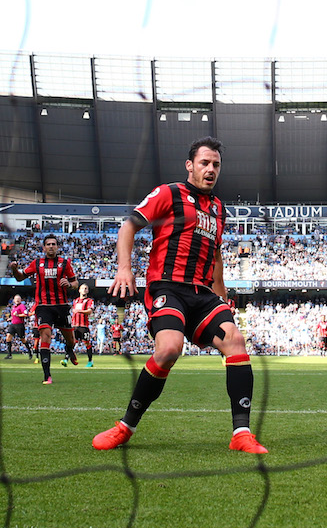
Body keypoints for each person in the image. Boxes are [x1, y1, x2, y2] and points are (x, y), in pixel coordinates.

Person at [93, 136, 267, 454]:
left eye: (216, 164)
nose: (211, 169)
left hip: (203, 295)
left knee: (236, 342)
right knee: (169, 348)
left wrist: (223, 296)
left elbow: (215, 258)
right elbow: (129, 226)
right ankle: (125, 426)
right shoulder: (168, 194)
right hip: (168, 288)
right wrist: (124, 268)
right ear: (190, 165)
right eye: (204, 163)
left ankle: (241, 434)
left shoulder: (218, 209)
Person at [9, 234, 79, 385]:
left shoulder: (65, 263)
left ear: (57, 247)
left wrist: (69, 283)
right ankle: (47, 376)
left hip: (62, 307)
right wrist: (15, 270)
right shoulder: (37, 263)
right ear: (44, 247)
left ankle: (70, 349)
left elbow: (75, 283)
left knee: (71, 341)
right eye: (48, 244)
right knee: (45, 337)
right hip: (43, 307)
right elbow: (20, 278)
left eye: (54, 244)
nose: (51, 246)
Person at [68, 284, 95, 367]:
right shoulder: (75, 301)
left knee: (87, 343)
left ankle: (90, 361)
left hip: (84, 326)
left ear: (87, 291)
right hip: (75, 325)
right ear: (79, 290)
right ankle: (66, 359)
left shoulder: (90, 301)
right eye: (83, 288)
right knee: (71, 343)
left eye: (86, 288)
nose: (84, 290)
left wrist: (79, 311)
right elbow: (73, 312)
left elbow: (90, 312)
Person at [5, 294, 34, 360]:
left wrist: (18, 315)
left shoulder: (22, 306)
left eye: (18, 299)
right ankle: (9, 354)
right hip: (13, 324)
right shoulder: (14, 307)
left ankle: (30, 352)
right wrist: (11, 318)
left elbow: (25, 314)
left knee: (23, 339)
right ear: (14, 300)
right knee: (8, 337)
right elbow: (14, 315)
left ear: (20, 300)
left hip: (19, 325)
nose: (17, 300)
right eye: (16, 299)